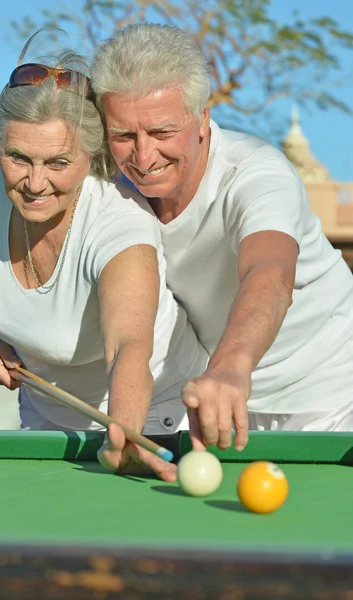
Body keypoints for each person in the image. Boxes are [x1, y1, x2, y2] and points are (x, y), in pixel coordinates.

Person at [91, 22, 353, 469]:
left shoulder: (257, 174)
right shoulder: (112, 191)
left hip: (326, 392)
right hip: (217, 404)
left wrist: (230, 367)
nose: (143, 156)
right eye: (122, 136)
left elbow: (269, 272)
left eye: (161, 132)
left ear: (203, 120)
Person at [0, 34, 209, 480]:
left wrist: (125, 432)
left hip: (152, 427)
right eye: (18, 157)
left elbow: (128, 345)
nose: (35, 183)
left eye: (58, 163)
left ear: (91, 158)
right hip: (47, 420)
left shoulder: (119, 224)